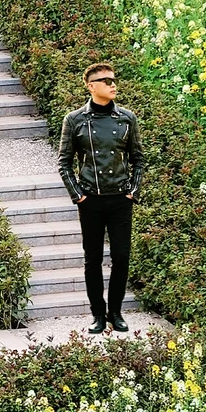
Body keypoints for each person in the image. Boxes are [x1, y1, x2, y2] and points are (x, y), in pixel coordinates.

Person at [56, 62, 143, 336]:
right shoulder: (74, 120)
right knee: (92, 259)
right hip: (91, 200)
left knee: (121, 256)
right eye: (105, 81)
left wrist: (133, 191)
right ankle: (98, 315)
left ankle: (115, 312)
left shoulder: (127, 118)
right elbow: (64, 163)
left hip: (120, 199)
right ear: (91, 86)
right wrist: (78, 195)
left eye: (114, 80)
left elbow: (138, 159)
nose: (113, 84)